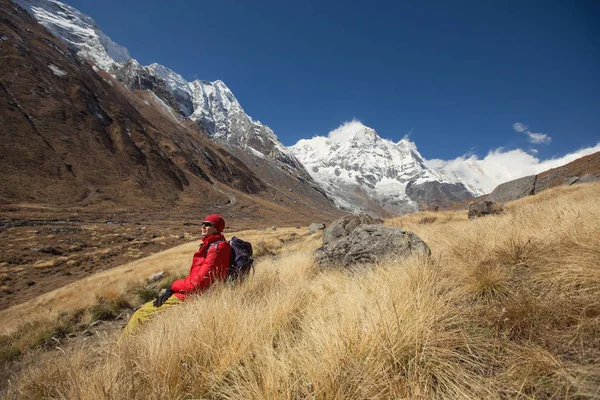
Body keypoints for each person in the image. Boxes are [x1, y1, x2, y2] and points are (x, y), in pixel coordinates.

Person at [121, 214, 231, 337]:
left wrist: (172, 286)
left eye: (208, 224)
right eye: (203, 224)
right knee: (143, 312)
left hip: (193, 296)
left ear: (217, 228)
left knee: (140, 315)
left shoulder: (217, 248)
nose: (203, 227)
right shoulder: (211, 246)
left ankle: (121, 351)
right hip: (191, 292)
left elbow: (198, 283)